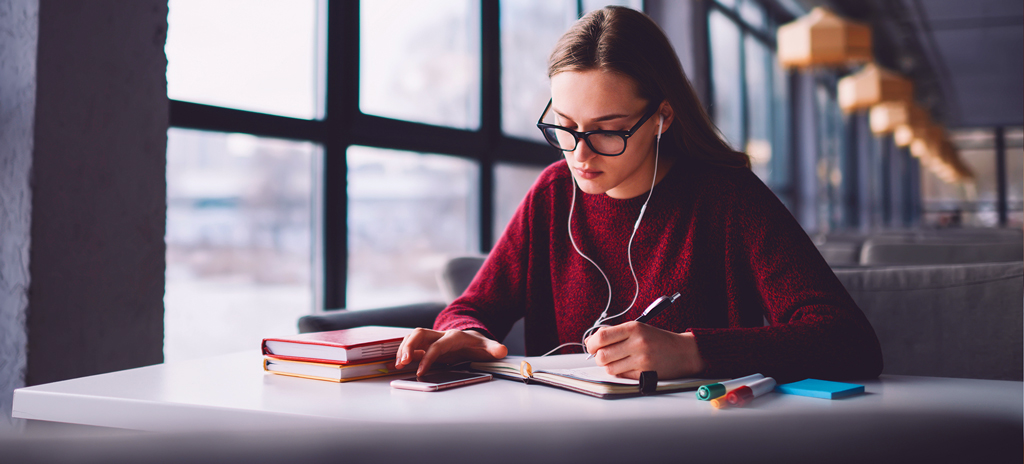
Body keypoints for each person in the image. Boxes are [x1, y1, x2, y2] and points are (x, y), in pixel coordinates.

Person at [395, 6, 882, 382]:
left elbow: (849, 341)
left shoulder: (726, 197)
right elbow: (472, 306)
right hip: (566, 436)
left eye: (608, 131)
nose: (579, 154)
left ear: (662, 118)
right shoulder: (553, 194)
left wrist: (693, 352)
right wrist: (466, 334)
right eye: (564, 127)